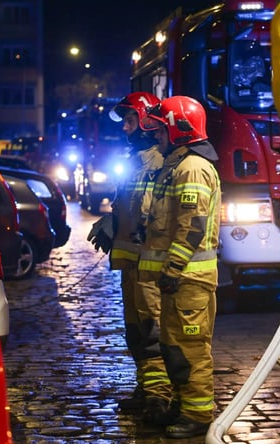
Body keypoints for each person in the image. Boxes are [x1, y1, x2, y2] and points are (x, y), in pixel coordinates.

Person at [138, 96, 221, 438]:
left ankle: (199, 415)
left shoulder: (192, 168)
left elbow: (192, 225)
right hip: (179, 278)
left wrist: (172, 268)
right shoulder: (177, 164)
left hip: (188, 277)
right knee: (173, 345)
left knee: (191, 348)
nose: (156, 135)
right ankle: (184, 404)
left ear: (177, 128)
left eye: (160, 129)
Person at [89, 92, 172, 417]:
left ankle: (159, 397)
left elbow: (158, 214)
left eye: (129, 120)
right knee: (136, 331)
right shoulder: (137, 161)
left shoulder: (157, 162)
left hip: (150, 266)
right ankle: (146, 387)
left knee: (152, 332)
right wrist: (113, 222)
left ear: (146, 119)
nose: (124, 128)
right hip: (133, 266)